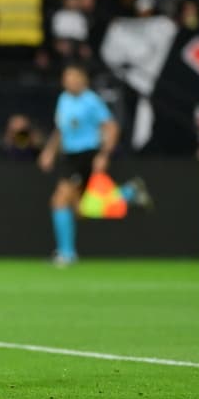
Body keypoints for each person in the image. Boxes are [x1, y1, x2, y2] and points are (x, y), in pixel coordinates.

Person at [38, 64, 150, 266]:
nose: (70, 81)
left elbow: (111, 127)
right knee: (81, 209)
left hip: (87, 154)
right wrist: (49, 151)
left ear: (83, 80)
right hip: (70, 156)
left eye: (74, 76)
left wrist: (104, 154)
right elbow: (61, 129)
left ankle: (67, 254)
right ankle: (128, 193)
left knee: (59, 200)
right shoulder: (63, 99)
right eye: (67, 77)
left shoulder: (91, 101)